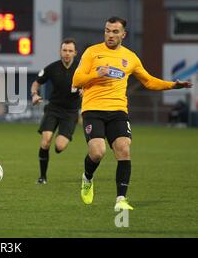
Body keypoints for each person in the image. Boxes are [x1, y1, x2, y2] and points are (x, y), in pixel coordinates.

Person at [72, 16, 192, 210]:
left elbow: (149, 81)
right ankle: (87, 177)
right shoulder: (92, 52)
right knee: (97, 152)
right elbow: (77, 80)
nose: (110, 35)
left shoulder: (131, 57)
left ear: (123, 34)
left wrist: (172, 85)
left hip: (118, 110)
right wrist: (97, 73)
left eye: (115, 32)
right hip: (93, 109)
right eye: (107, 31)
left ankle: (121, 200)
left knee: (124, 149)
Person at [30, 38, 81, 184]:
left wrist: (86, 90)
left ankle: (60, 144)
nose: (67, 53)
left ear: (75, 53)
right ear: (60, 51)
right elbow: (36, 83)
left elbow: (91, 84)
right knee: (45, 142)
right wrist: (34, 94)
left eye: (70, 51)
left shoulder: (81, 69)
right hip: (53, 109)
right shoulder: (52, 68)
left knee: (59, 146)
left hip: (70, 113)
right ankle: (42, 177)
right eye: (64, 50)